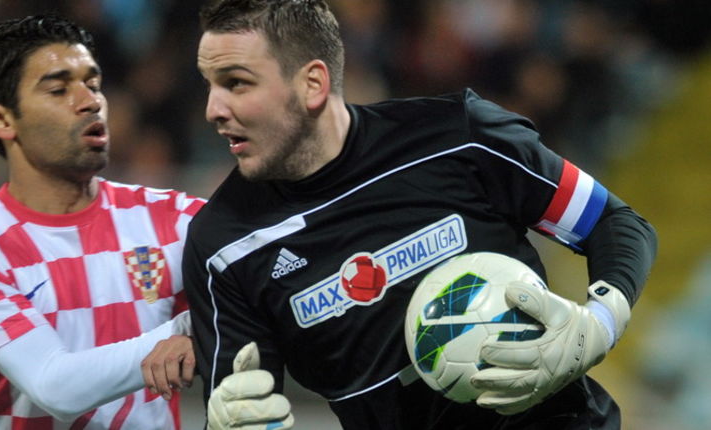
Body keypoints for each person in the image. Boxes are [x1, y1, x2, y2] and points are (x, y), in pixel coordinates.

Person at [179, 1, 658, 429]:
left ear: (312, 84)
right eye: (209, 85)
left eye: (236, 83)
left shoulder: (460, 136)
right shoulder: (222, 245)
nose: (212, 109)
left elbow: (615, 223)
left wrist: (599, 322)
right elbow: (244, 403)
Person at [0, 15, 203, 429]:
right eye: (58, 88)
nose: (90, 101)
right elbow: (56, 387)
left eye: (93, 83)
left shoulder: (176, 219)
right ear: (1, 120)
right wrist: (195, 324)